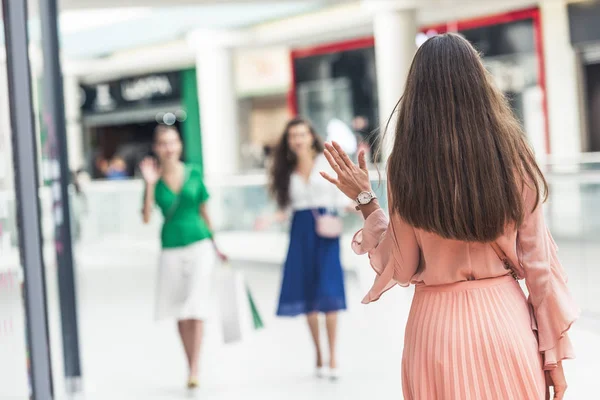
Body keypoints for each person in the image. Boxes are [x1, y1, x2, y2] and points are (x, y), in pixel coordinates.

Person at [320, 34, 578, 400]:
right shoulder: (513, 156)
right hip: (505, 323)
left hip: (435, 329)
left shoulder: (405, 165)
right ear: (479, 83)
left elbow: (404, 267)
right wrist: (554, 359)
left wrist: (366, 203)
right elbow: (539, 267)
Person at [139, 125, 227, 389]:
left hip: (199, 243)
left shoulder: (194, 173)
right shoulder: (152, 179)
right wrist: (149, 185)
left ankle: (196, 367)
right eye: (163, 143)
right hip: (171, 247)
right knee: (180, 308)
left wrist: (215, 243)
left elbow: (204, 210)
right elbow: (145, 217)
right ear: (156, 148)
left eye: (173, 142)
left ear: (179, 145)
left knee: (196, 305)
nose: (169, 148)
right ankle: (189, 364)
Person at [262, 117, 349, 380]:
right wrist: (268, 219)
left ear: (311, 136)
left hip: (326, 230)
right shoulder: (284, 171)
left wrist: (360, 205)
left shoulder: (327, 163)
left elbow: (342, 196)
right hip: (300, 231)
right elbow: (285, 208)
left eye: (302, 134)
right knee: (308, 292)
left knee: (329, 291)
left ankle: (333, 355)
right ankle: (318, 353)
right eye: (293, 136)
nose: (298, 140)